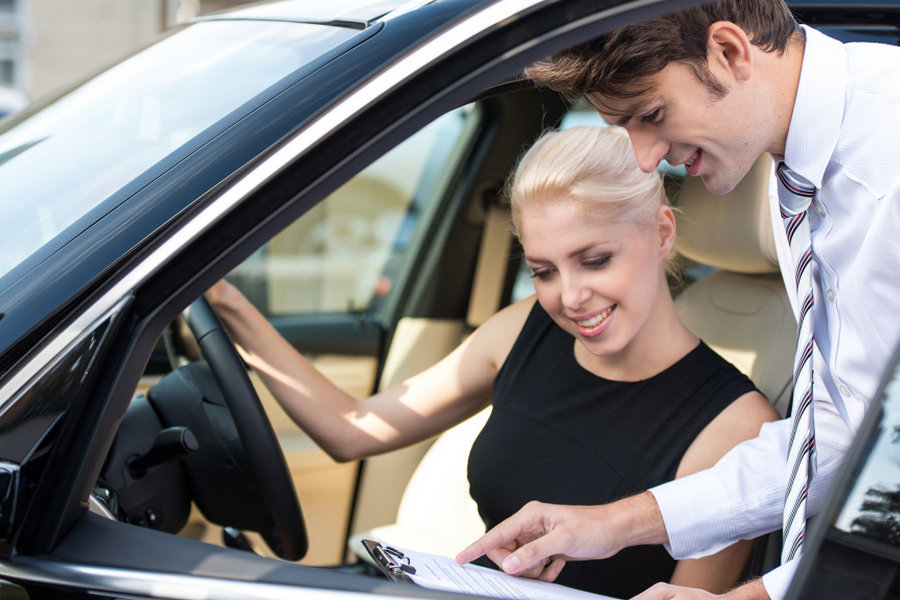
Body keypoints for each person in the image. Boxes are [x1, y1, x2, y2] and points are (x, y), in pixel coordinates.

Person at [206, 125, 778, 598]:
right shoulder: (525, 328)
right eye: (545, 270)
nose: (570, 296)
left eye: (595, 259)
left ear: (660, 233)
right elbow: (354, 430)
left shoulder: (737, 428)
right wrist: (225, 303)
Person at [456, 2, 900, 600]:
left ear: (729, 51)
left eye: (652, 115)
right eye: (625, 129)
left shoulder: (886, 175)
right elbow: (844, 429)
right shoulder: (799, 172)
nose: (644, 158)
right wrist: (611, 524)